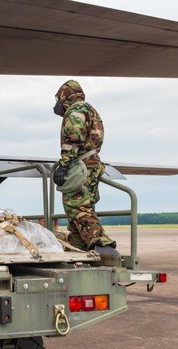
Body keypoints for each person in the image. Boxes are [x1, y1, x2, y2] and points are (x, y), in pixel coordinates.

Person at [52, 80, 120, 258]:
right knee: (78, 211)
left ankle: (102, 245)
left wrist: (63, 165)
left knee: (76, 205)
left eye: (58, 100)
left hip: (81, 164)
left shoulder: (75, 110)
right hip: (91, 162)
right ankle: (80, 250)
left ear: (64, 96)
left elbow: (73, 138)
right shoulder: (90, 109)